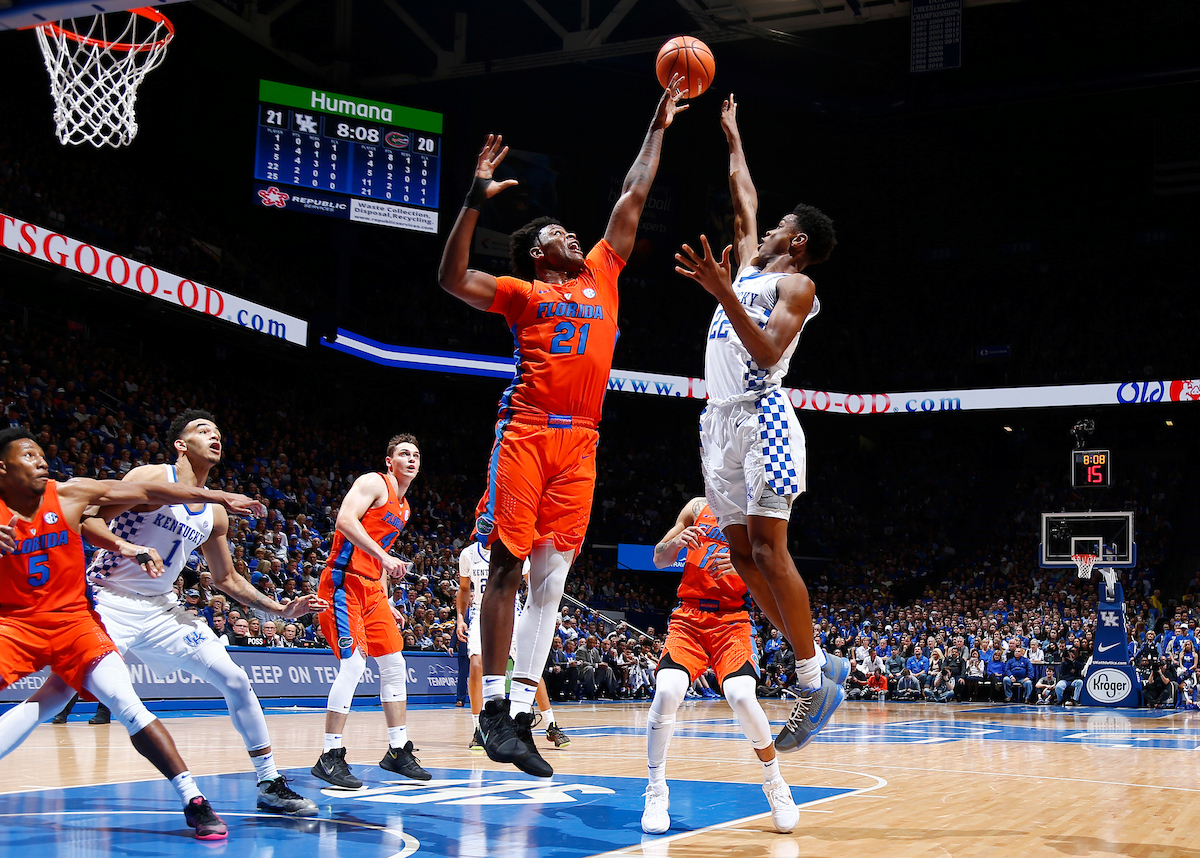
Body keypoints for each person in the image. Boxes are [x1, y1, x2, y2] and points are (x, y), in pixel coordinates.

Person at [436, 80, 688, 778]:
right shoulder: (526, 294)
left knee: (551, 578)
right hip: (529, 430)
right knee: (508, 567)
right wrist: (473, 196)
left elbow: (633, 193)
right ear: (538, 254)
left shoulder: (604, 273)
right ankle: (490, 710)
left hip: (583, 440)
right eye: (558, 234)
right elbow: (453, 277)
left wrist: (656, 124)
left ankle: (520, 715)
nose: (573, 234)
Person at [672, 93, 841, 754]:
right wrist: (734, 136)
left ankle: (811, 677)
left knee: (770, 550)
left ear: (797, 242)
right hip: (718, 427)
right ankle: (817, 664)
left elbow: (768, 351)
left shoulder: (796, 288)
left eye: (780, 227)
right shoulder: (746, 266)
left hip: (763, 418)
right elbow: (744, 196)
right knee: (741, 557)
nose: (764, 228)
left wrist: (720, 294)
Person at [0, 427, 265, 839]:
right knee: (47, 703)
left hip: (81, 621)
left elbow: (157, 493)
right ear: (3, 467)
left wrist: (220, 496)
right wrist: (126, 548)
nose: (41, 461)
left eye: (41, 454)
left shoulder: (68, 493)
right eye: (29, 456)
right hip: (25, 622)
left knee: (128, 702)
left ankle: (195, 797)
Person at [82, 411, 325, 816]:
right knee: (63, 698)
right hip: (106, 598)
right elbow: (89, 521)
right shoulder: (151, 476)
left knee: (234, 678)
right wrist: (129, 549)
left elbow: (227, 579)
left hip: (161, 610)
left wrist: (280, 609)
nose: (214, 436)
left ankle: (269, 782)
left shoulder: (215, 513)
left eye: (217, 432)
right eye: (202, 430)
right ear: (180, 444)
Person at [642, 497, 799, 836]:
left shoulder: (758, 516)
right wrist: (674, 542)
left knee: (741, 696)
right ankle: (656, 790)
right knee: (667, 691)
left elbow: (778, 572)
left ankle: (775, 782)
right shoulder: (697, 507)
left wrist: (747, 567)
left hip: (732, 620)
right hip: (689, 618)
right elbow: (658, 557)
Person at [310, 434, 430, 788]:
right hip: (342, 582)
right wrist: (384, 558)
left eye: (416, 455)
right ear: (389, 461)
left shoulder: (405, 508)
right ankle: (329, 756)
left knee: (395, 663)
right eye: (404, 454)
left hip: (372, 589)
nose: (411, 459)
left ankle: (397, 751)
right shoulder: (373, 483)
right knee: (355, 664)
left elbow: (377, 557)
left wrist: (388, 600)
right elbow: (345, 521)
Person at [456, 542, 570, 752]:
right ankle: (479, 729)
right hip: (481, 612)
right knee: (475, 665)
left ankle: (550, 724)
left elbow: (532, 584)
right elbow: (464, 589)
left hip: (512, 611)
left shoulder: (513, 548)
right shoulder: (468, 554)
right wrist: (460, 618)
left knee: (529, 669)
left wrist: (531, 613)